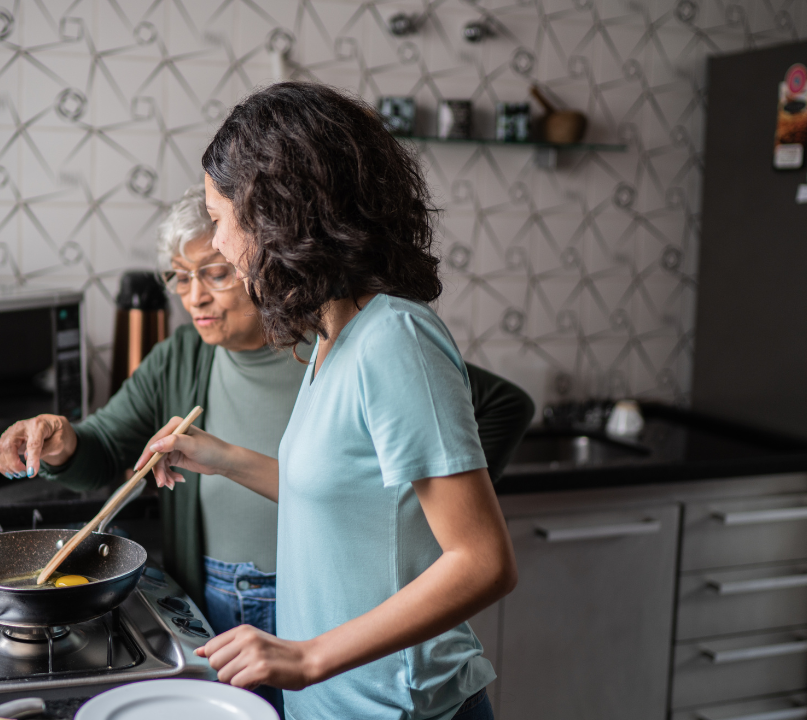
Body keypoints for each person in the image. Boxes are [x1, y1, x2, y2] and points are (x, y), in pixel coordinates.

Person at [0, 181, 531, 717]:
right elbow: (107, 449)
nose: (194, 295)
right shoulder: (269, 350)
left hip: (350, 634)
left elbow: (479, 531)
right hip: (242, 604)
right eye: (180, 278)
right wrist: (65, 442)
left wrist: (432, 496)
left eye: (218, 268)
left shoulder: (364, 339)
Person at [135, 82, 521, 720]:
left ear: (276, 215)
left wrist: (306, 658)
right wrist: (225, 457)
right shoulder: (328, 339)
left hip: (405, 707)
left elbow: (483, 562)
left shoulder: (394, 338)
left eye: (222, 217)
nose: (222, 244)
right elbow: (352, 506)